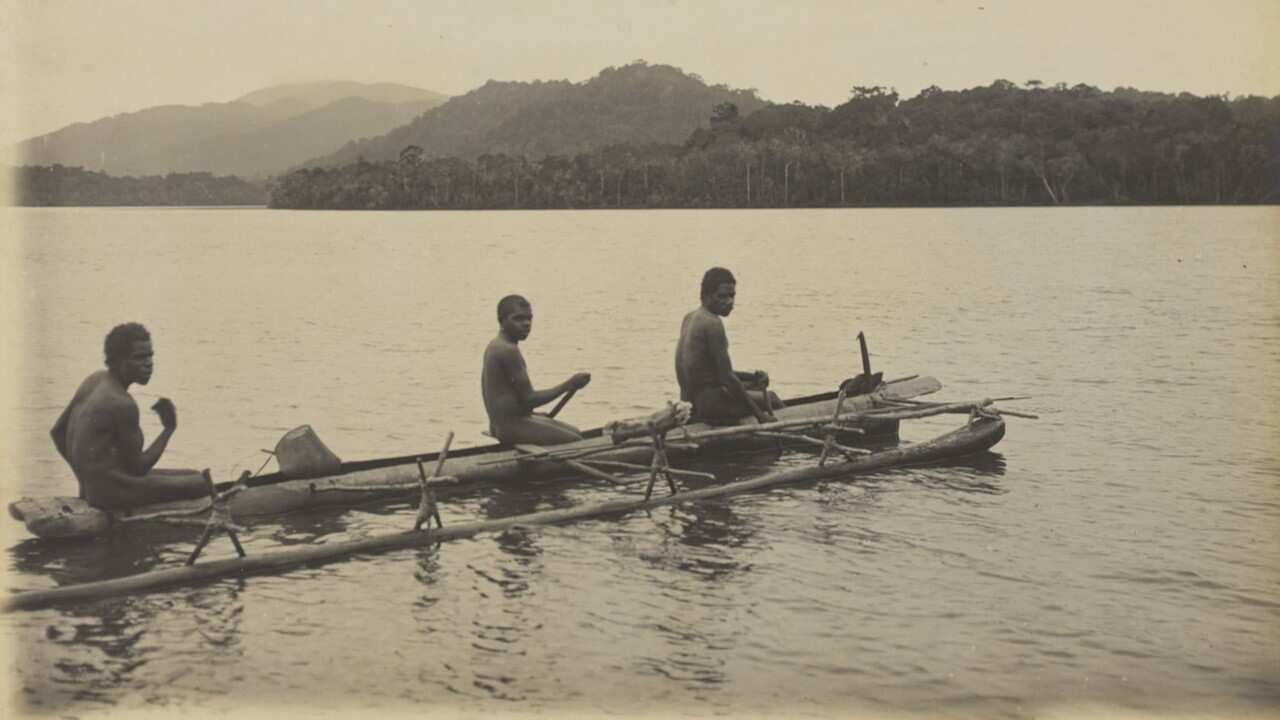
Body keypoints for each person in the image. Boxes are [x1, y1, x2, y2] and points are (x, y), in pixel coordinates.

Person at [49, 323, 208, 510]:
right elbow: (138, 468)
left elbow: (57, 432)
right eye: (140, 357)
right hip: (112, 495)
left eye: (150, 355)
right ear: (119, 360)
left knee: (193, 474)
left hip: (100, 488)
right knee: (201, 483)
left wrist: (85, 481)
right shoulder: (122, 403)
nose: (149, 363)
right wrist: (168, 429)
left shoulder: (94, 380)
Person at [675, 267, 785, 424]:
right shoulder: (712, 324)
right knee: (771, 398)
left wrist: (751, 377)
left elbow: (709, 371)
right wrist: (760, 415)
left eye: (732, 296)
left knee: (753, 385)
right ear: (705, 296)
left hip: (690, 405)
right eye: (722, 296)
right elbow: (727, 378)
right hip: (710, 406)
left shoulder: (689, 318)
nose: (729, 302)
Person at [482, 295, 592, 445]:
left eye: (529, 318)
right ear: (501, 321)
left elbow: (506, 398)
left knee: (576, 432)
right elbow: (530, 399)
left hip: (503, 423)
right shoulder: (507, 350)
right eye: (518, 319)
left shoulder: (495, 344)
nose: (526, 324)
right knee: (576, 441)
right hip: (510, 428)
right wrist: (570, 384)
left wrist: (532, 415)